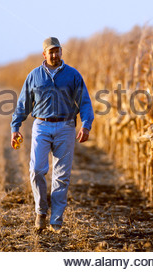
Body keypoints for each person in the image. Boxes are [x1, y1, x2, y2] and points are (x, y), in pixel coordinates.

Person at [10, 36, 94, 233]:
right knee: (37, 170)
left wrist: (86, 124)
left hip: (66, 127)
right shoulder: (34, 76)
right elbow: (23, 104)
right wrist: (15, 127)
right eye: (51, 52)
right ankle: (40, 211)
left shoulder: (73, 75)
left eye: (58, 51)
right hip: (41, 126)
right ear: (44, 54)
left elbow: (85, 102)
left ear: (61, 52)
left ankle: (56, 221)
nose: (55, 55)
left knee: (62, 176)